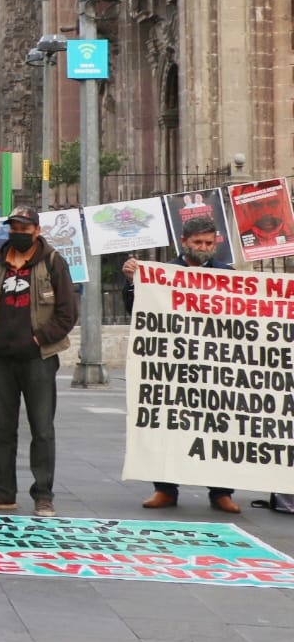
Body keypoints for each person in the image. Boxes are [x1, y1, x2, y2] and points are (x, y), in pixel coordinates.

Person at [122, 217, 239, 514]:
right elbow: (136, 310)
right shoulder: (163, 273)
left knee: (218, 427)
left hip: (215, 367)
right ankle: (165, 489)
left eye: (209, 243)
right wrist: (131, 282)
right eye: (197, 242)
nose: (203, 248)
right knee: (169, 423)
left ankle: (221, 492)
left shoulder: (229, 276)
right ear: (184, 242)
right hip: (173, 366)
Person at [0, 206, 78, 517]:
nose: (18, 233)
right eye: (13, 227)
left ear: (37, 230)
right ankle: (3, 491)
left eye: (24, 228)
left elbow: (67, 313)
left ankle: (43, 494)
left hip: (38, 359)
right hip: (1, 359)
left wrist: (37, 339)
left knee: (42, 429)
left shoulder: (54, 263)